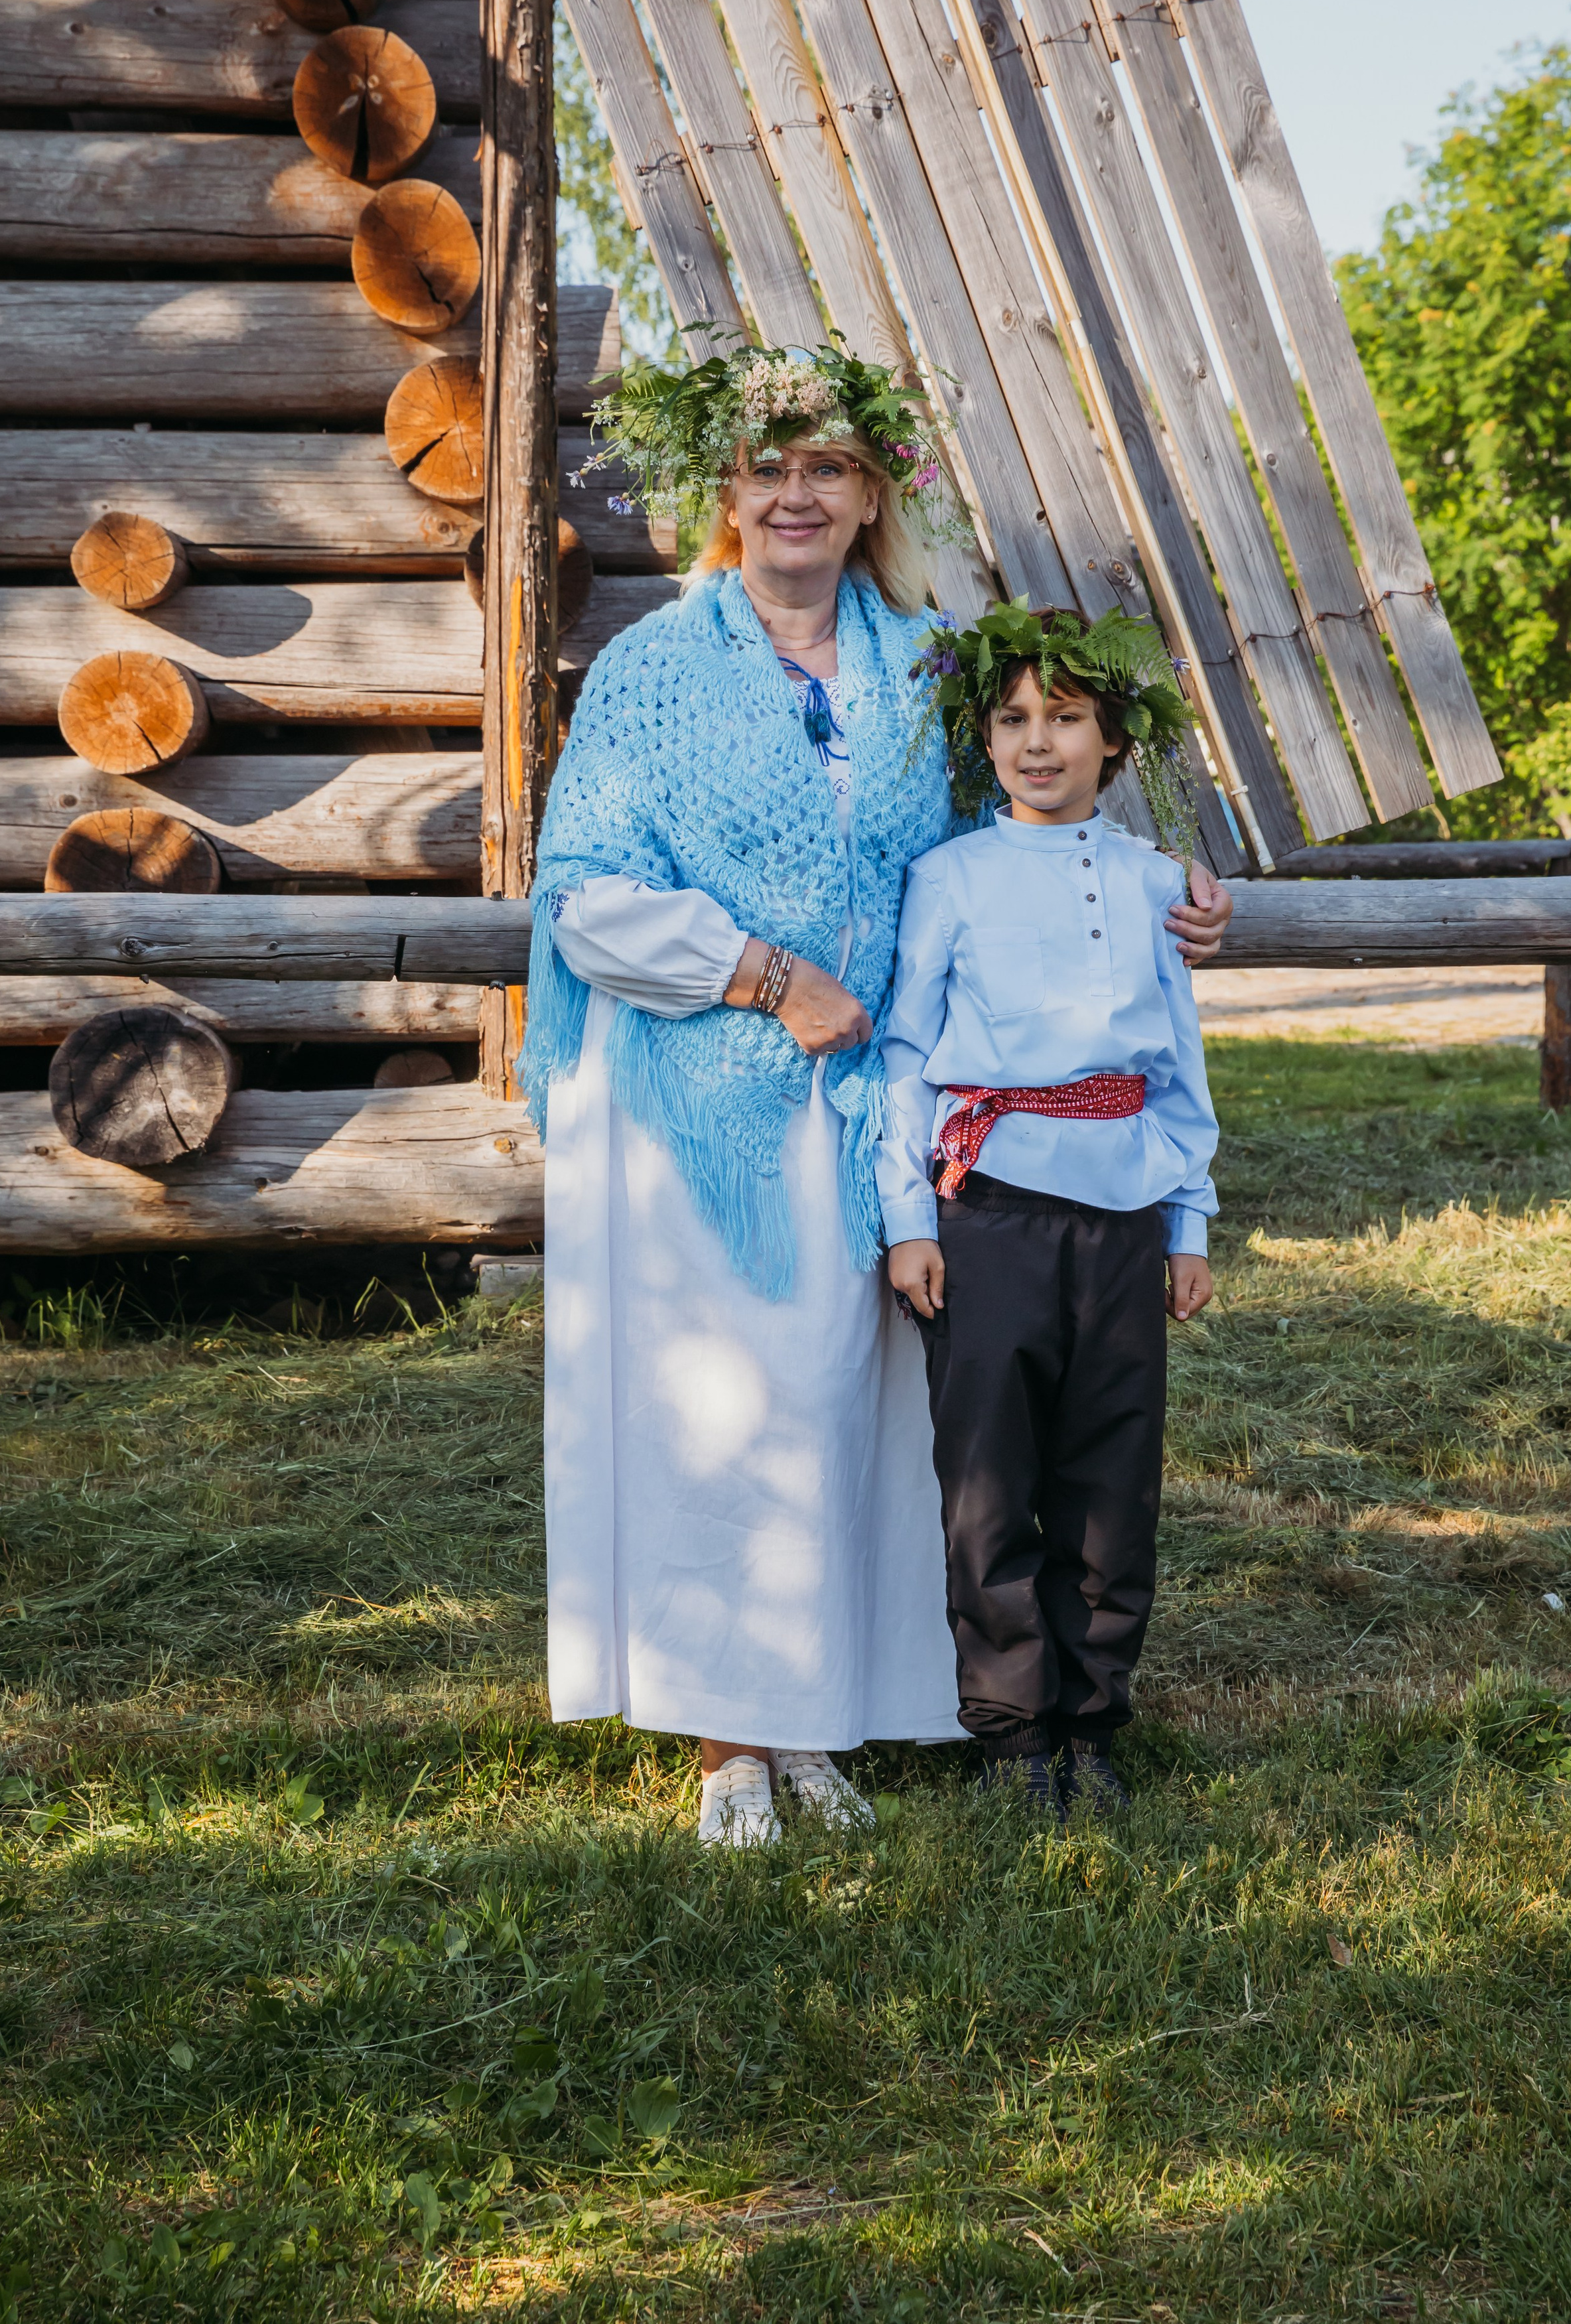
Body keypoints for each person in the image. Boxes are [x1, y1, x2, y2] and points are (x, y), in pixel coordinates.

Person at [517, 341, 1233, 1849]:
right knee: (742, 1402)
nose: (795, 494)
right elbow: (585, 898)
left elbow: (1025, 830)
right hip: (711, 1093)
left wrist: (1170, 894)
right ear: (724, 494)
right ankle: (732, 1739)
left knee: (871, 1404)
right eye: (768, 469)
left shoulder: (923, 663)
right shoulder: (654, 672)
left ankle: (821, 1710)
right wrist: (771, 982)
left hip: (899, 1112)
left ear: (868, 497)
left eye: (826, 469)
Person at [879, 605, 1218, 1820]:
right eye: (1015, 718)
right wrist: (908, 1216)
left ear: (1114, 740)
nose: (1039, 743)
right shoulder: (951, 878)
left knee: (1111, 1474)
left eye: (1066, 719)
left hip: (1122, 1214)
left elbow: (1176, 1062)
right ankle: (1015, 1731)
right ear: (986, 736)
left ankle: (1092, 1720)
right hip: (993, 1214)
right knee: (989, 1474)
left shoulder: (1154, 885)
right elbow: (907, 1055)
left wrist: (1188, 1221)